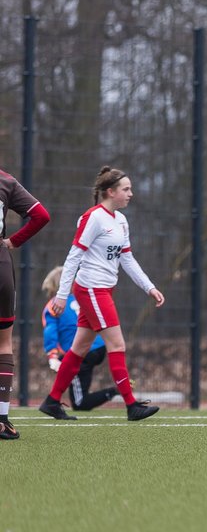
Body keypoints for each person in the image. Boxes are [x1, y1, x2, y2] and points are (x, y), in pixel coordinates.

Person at [38, 166, 165, 423]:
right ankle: (132, 405)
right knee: (117, 344)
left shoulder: (121, 220)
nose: (131, 193)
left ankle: (52, 401)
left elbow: (127, 259)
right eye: (126, 189)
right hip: (91, 289)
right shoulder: (93, 218)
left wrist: (149, 286)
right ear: (110, 191)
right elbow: (74, 256)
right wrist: (62, 295)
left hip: (104, 289)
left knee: (80, 347)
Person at [0, 169, 51, 440]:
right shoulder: (5, 181)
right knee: (3, 344)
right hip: (1, 266)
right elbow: (41, 215)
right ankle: (1, 420)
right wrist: (11, 242)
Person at [42, 266, 117, 413]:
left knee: (79, 402)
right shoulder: (83, 299)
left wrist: (52, 356)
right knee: (80, 397)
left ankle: (115, 390)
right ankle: (116, 389)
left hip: (80, 352)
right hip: (99, 347)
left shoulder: (54, 305)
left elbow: (50, 332)